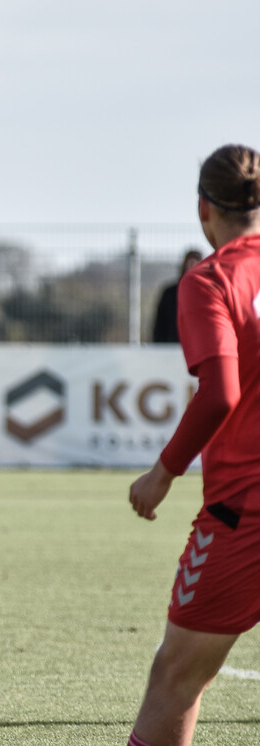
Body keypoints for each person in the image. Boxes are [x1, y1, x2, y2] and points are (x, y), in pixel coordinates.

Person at [127, 143, 260, 746]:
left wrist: (162, 473)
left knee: (176, 678)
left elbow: (219, 394)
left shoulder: (210, 280)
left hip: (246, 511)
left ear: (204, 209)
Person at [151, 249, 203, 343]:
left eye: (196, 265)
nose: (192, 268)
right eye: (190, 264)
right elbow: (160, 324)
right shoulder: (170, 293)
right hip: (172, 346)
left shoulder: (206, 293)